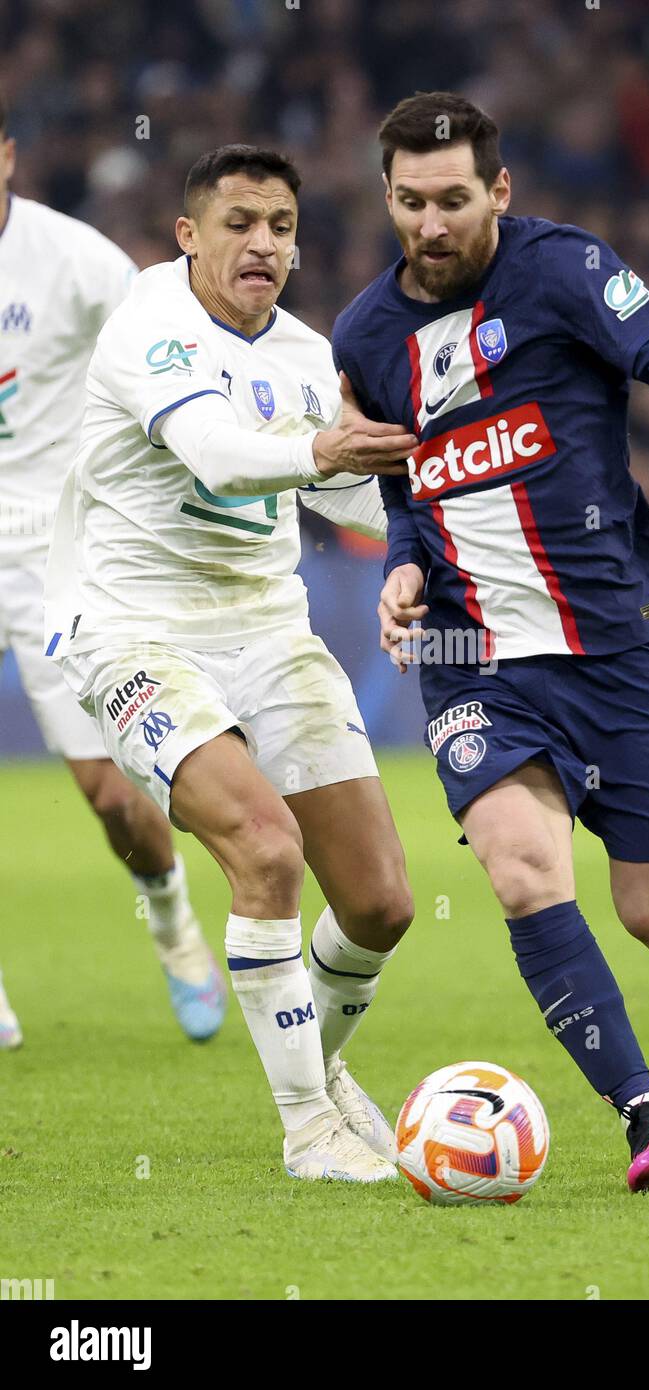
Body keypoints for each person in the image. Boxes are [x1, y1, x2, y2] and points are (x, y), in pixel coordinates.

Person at [333, 92, 649, 1193]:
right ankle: (647, 1120)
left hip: (614, 640)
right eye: (412, 203)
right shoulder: (366, 337)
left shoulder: (563, 271)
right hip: (472, 658)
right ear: (387, 199)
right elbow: (404, 486)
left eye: (455, 200)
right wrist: (402, 565)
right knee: (522, 875)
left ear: (499, 191)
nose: (432, 224)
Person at [45, 144, 416, 1181]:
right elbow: (220, 453)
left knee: (381, 904)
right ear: (189, 235)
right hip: (133, 631)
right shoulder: (148, 327)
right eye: (242, 222)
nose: (263, 244)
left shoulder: (303, 352)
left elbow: (335, 491)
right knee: (264, 849)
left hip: (266, 626)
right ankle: (306, 1131)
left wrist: (426, 513)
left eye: (283, 227)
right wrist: (327, 454)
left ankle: (318, 1072)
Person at [0, 88, 224, 1048]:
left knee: (108, 789)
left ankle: (170, 914)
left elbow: (157, 340)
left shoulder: (75, 260)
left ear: (7, 155)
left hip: (48, 546)